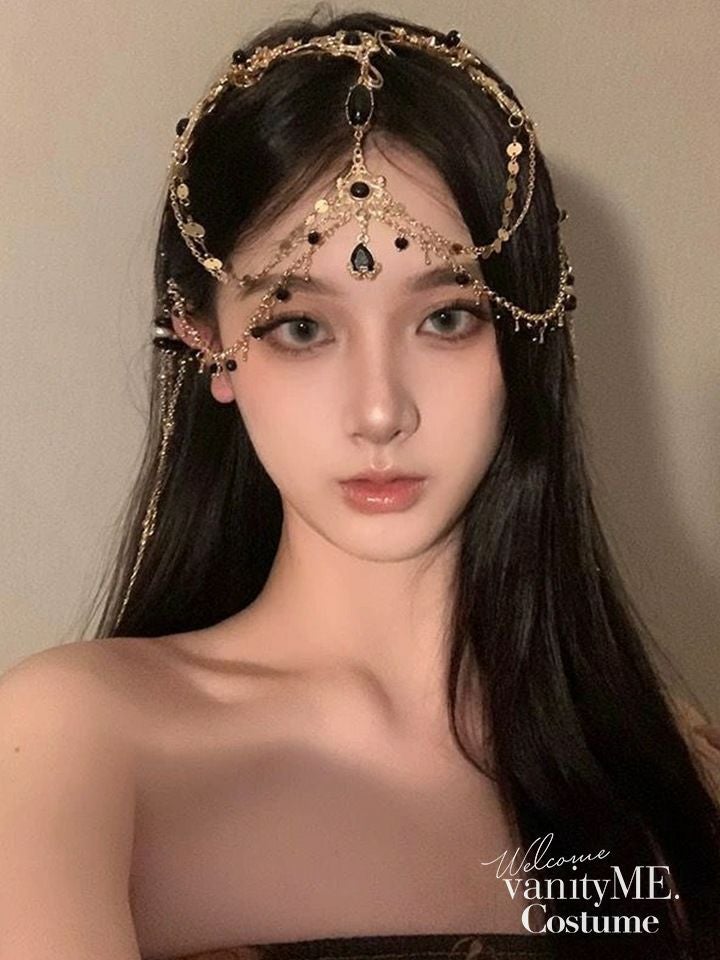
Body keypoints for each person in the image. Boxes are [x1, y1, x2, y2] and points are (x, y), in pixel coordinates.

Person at [1, 8, 718, 960]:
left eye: (448, 318)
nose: (380, 412)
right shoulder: (77, 748)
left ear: (525, 332)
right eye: (301, 327)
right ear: (206, 341)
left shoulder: (672, 772)